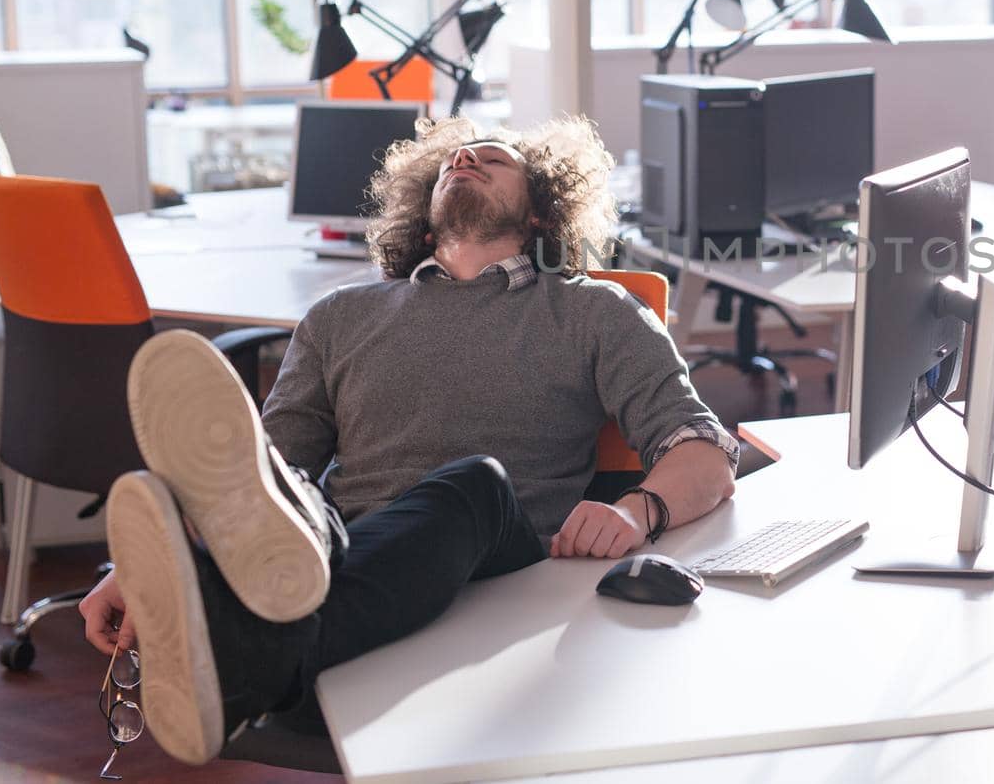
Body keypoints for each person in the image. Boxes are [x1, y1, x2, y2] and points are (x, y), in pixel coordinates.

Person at [79, 115, 738, 765]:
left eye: (493, 158)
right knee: (299, 495)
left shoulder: (594, 311)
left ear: (540, 211)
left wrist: (634, 510)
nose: (465, 160)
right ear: (423, 215)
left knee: (472, 483)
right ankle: (239, 637)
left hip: (496, 572)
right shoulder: (341, 315)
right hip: (334, 563)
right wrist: (141, 570)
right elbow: (259, 477)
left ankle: (247, 657)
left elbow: (706, 453)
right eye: (454, 159)